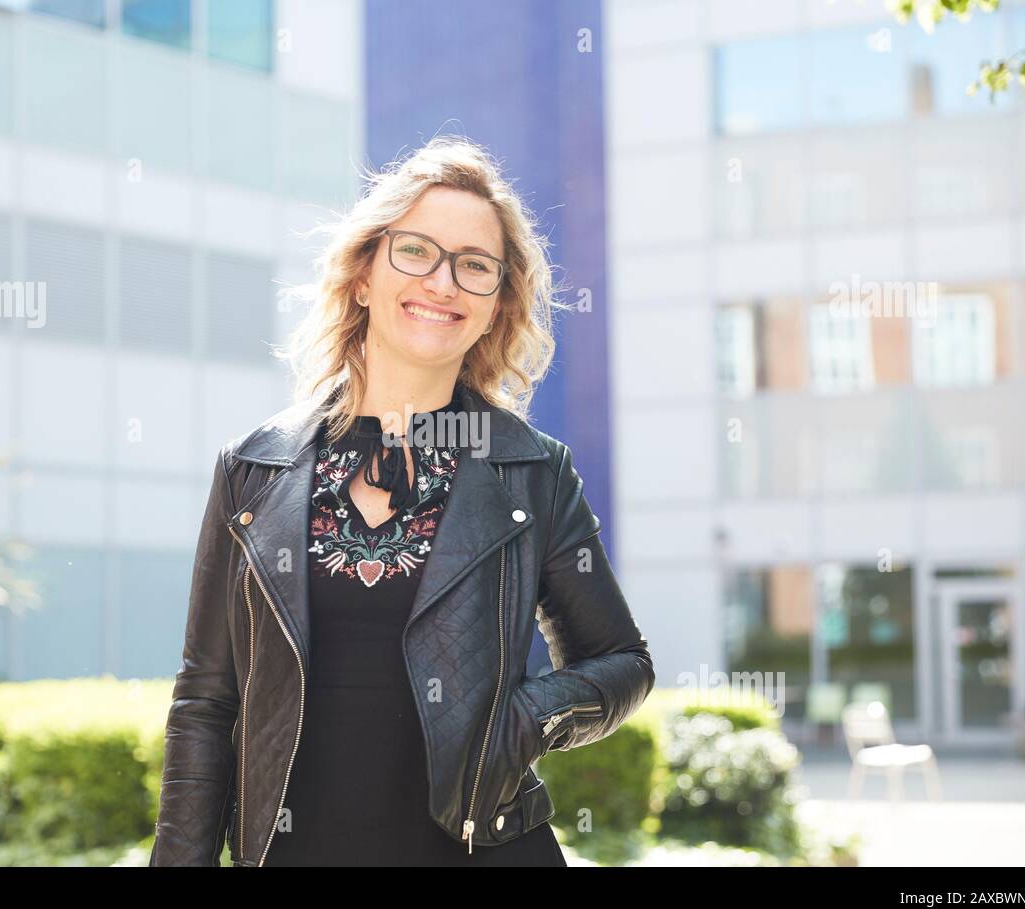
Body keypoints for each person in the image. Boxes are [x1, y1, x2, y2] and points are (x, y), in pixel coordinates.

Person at [150, 135, 654, 867]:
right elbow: (205, 701)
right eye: (416, 252)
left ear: (493, 307)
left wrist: (522, 723)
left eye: (475, 266)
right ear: (363, 275)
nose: (444, 282)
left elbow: (619, 660)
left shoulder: (533, 473)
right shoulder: (253, 469)